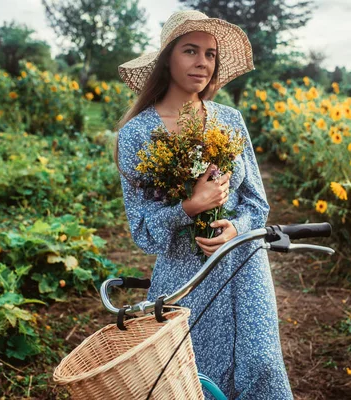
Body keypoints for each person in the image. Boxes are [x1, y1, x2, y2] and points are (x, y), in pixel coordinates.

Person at [114, 10, 293, 400]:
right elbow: (143, 230)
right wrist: (190, 207)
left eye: (210, 54)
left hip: (244, 267)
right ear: (167, 59)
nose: (202, 63)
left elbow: (256, 203)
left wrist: (237, 229)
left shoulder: (229, 120)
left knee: (261, 367)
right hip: (185, 276)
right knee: (197, 378)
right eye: (190, 51)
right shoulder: (137, 134)